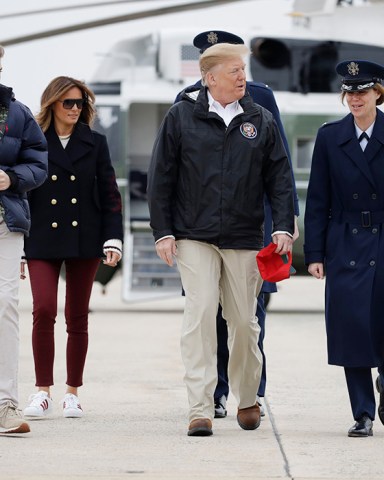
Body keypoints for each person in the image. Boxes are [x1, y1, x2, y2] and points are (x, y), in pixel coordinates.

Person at [148, 42, 294, 436]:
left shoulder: (259, 119)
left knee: (245, 323)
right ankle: (200, 408)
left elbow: (280, 178)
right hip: (194, 235)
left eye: (242, 71)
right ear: (210, 79)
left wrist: (282, 225)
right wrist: (163, 231)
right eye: (234, 72)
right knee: (200, 315)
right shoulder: (180, 117)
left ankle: (248, 398)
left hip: (244, 236)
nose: (242, 77)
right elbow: (160, 177)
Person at [22, 76, 123, 419]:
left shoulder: (95, 142)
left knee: (77, 317)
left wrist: (113, 238)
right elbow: (25, 193)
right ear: (52, 103)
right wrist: (18, 242)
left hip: (85, 238)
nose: (75, 109)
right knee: (43, 309)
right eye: (68, 103)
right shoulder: (33, 140)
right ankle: (42, 391)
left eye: (80, 103)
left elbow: (110, 193)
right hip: (41, 238)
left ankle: (72, 393)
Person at [304, 60, 384, 437]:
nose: (355, 98)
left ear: (377, 93)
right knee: (352, 329)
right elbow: (317, 199)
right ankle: (362, 413)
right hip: (346, 242)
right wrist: (315, 254)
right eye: (350, 92)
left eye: (362, 91)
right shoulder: (329, 136)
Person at [0, 45, 48, 434]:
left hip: (5, 224)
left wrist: (12, 178)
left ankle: (4, 404)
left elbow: (38, 163)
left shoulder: (18, 114)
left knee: (5, 307)